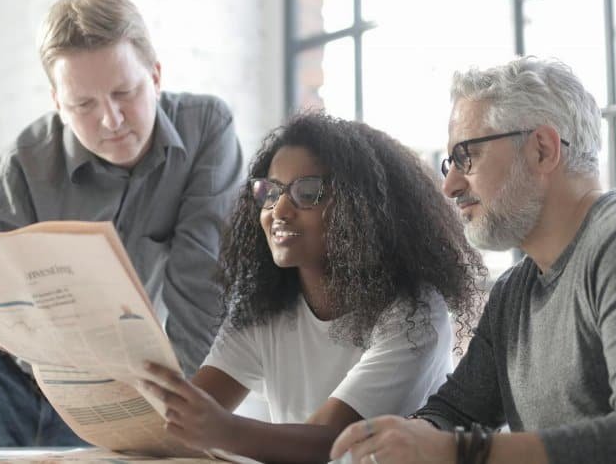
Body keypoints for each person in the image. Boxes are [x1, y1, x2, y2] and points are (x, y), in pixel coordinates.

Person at [0, 0, 243, 459]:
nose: (110, 120)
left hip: (117, 398)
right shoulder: (27, 161)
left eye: (123, 93)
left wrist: (184, 418)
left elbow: (203, 283)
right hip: (0, 384)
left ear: (155, 75)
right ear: (56, 102)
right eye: (83, 105)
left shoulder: (206, 129)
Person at [331, 57, 616, 464]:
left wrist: (458, 451)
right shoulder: (514, 292)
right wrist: (408, 439)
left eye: (467, 157)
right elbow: (455, 411)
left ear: (542, 149)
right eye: (450, 164)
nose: (449, 186)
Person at [139, 111, 485, 463]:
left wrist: (224, 430)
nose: (279, 210)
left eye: (307, 192)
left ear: (361, 207)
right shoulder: (263, 306)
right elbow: (189, 418)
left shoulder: (415, 313)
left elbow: (333, 443)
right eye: (269, 192)